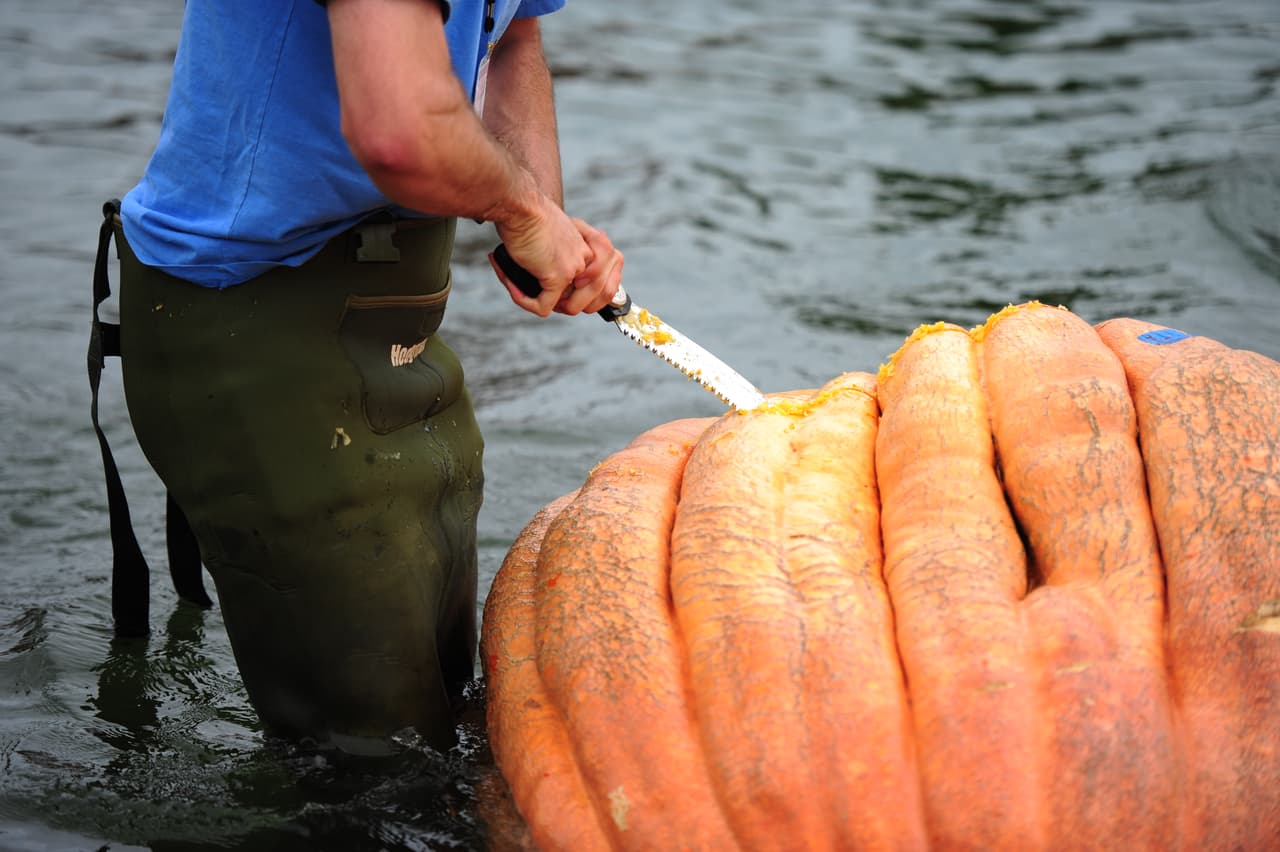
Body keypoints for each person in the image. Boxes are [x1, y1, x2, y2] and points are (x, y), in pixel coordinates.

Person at [100, 0, 623, 754]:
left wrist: (548, 218)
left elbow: (514, 37)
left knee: (450, 721)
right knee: (370, 769)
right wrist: (520, 210)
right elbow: (399, 132)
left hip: (400, 316)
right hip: (253, 322)